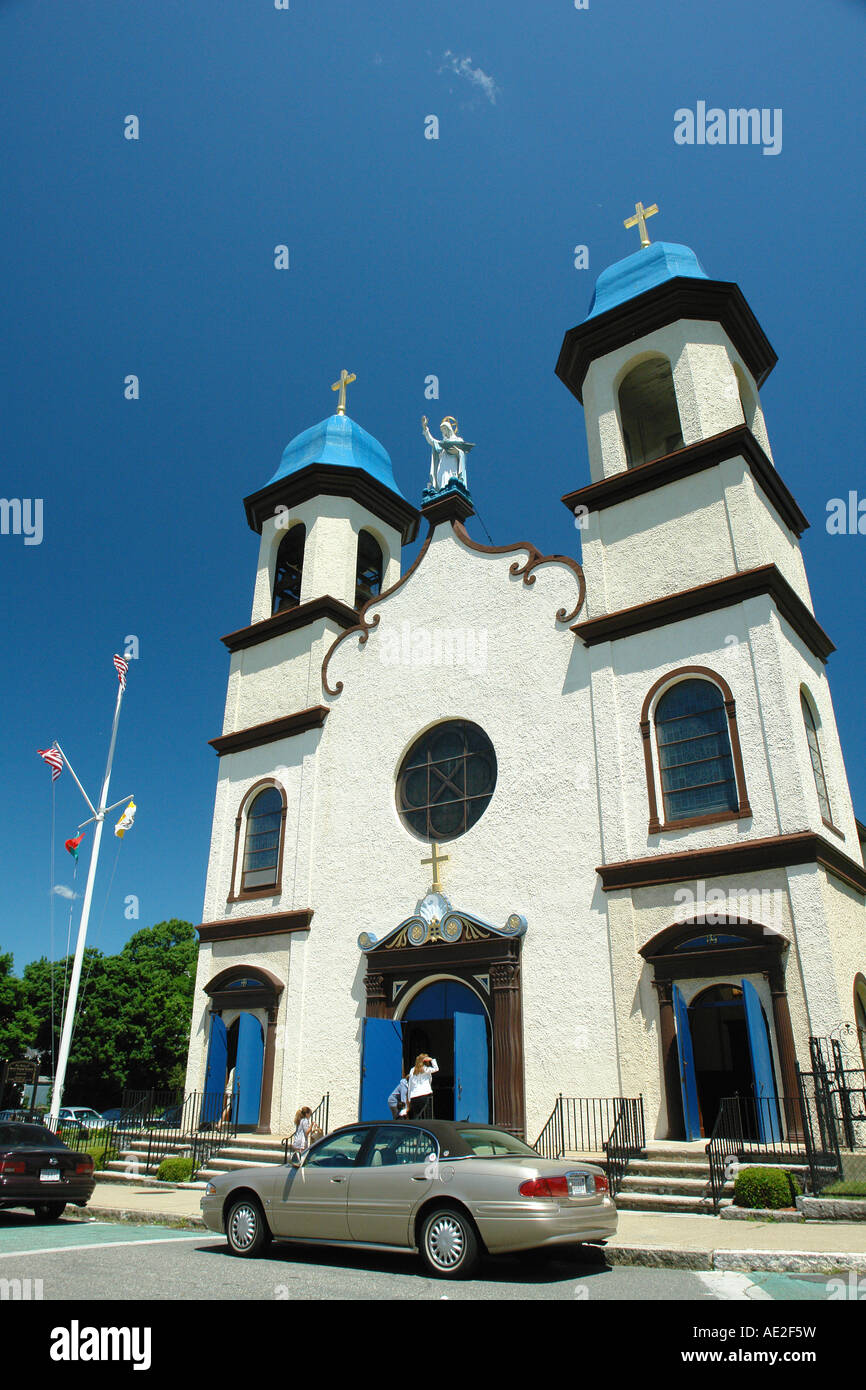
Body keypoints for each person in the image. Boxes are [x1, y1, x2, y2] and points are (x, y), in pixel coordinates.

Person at [406, 1054, 438, 1119]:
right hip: (424, 1094)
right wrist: (432, 1059)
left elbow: (410, 1085)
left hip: (414, 1096)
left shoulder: (412, 1070)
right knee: (426, 1115)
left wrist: (409, 1098)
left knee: (415, 1115)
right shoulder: (425, 1069)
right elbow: (436, 1068)